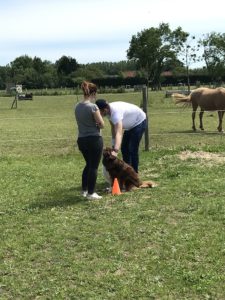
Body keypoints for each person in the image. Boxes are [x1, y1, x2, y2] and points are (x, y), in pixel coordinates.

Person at [95, 99, 146, 173]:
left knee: (132, 148)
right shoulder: (108, 112)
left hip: (139, 122)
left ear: (105, 109)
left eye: (100, 113)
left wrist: (115, 150)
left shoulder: (116, 113)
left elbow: (119, 132)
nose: (99, 115)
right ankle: (127, 171)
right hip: (130, 126)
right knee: (124, 148)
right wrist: (113, 144)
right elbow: (113, 127)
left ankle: (134, 173)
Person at [75, 81, 105, 199]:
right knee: (93, 166)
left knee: (88, 164)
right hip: (94, 139)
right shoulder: (93, 107)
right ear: (93, 93)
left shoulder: (77, 106)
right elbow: (101, 124)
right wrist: (98, 123)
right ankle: (91, 193)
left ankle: (84, 189)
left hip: (81, 139)